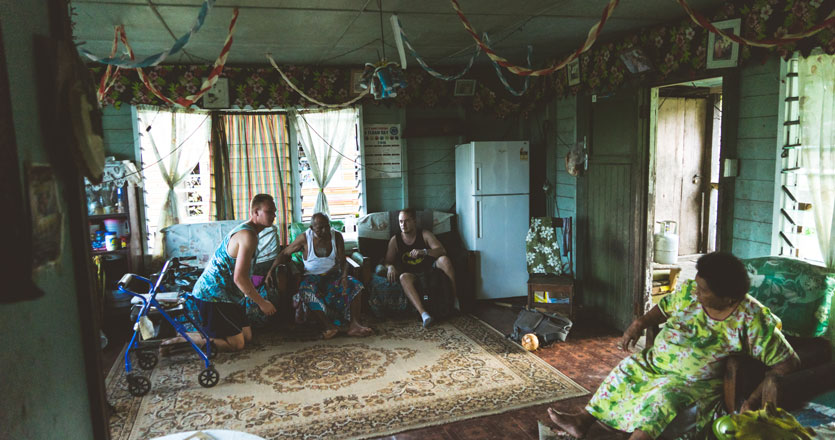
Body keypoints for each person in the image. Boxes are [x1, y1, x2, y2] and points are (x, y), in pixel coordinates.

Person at [547, 252, 799, 439]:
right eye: (697, 285)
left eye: (704, 290)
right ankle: (583, 421)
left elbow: (788, 361)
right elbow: (663, 308)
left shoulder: (751, 319)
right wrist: (639, 323)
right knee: (627, 369)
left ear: (728, 296)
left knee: (662, 399)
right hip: (655, 363)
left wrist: (760, 391)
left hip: (691, 383)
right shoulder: (689, 292)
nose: (696, 292)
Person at [189, 194, 278, 352]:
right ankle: (186, 337)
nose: (274, 215)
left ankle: (207, 335)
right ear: (255, 212)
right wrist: (262, 302)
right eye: (269, 211)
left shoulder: (252, 232)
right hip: (213, 295)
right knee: (238, 344)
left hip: (230, 296)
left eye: (274, 211)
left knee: (247, 337)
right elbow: (240, 278)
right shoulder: (247, 235)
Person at [268, 212, 372, 339]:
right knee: (305, 290)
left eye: (327, 226)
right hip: (312, 277)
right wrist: (271, 270)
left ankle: (354, 325)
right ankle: (329, 326)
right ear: (312, 228)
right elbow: (284, 253)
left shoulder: (336, 236)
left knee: (355, 284)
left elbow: (343, 261)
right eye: (320, 228)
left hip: (333, 276)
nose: (325, 230)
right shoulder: (305, 238)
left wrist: (344, 277)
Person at [384, 208, 458, 328]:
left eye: (407, 221)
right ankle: (424, 314)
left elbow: (442, 251)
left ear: (414, 221)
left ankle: (454, 300)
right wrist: (390, 267)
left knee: (445, 260)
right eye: (401, 222)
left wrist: (424, 252)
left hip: (430, 270)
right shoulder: (395, 240)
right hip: (412, 274)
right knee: (403, 277)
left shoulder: (425, 234)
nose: (403, 225)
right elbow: (387, 261)